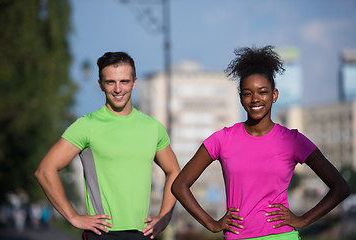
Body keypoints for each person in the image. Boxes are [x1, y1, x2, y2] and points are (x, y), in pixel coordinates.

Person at [171, 46, 350, 240]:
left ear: (274, 95)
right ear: (241, 98)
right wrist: (212, 223)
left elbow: (340, 188)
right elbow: (180, 185)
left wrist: (303, 220)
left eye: (262, 92)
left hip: (282, 236)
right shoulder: (222, 139)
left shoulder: (292, 140)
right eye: (248, 93)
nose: (255, 99)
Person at [35, 52, 180, 240]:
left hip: (142, 234)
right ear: (100, 84)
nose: (118, 89)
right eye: (111, 82)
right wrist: (73, 217)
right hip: (102, 234)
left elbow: (174, 171)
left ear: (134, 82)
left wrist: (164, 217)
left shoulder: (153, 128)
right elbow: (45, 170)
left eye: (124, 81)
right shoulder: (86, 126)